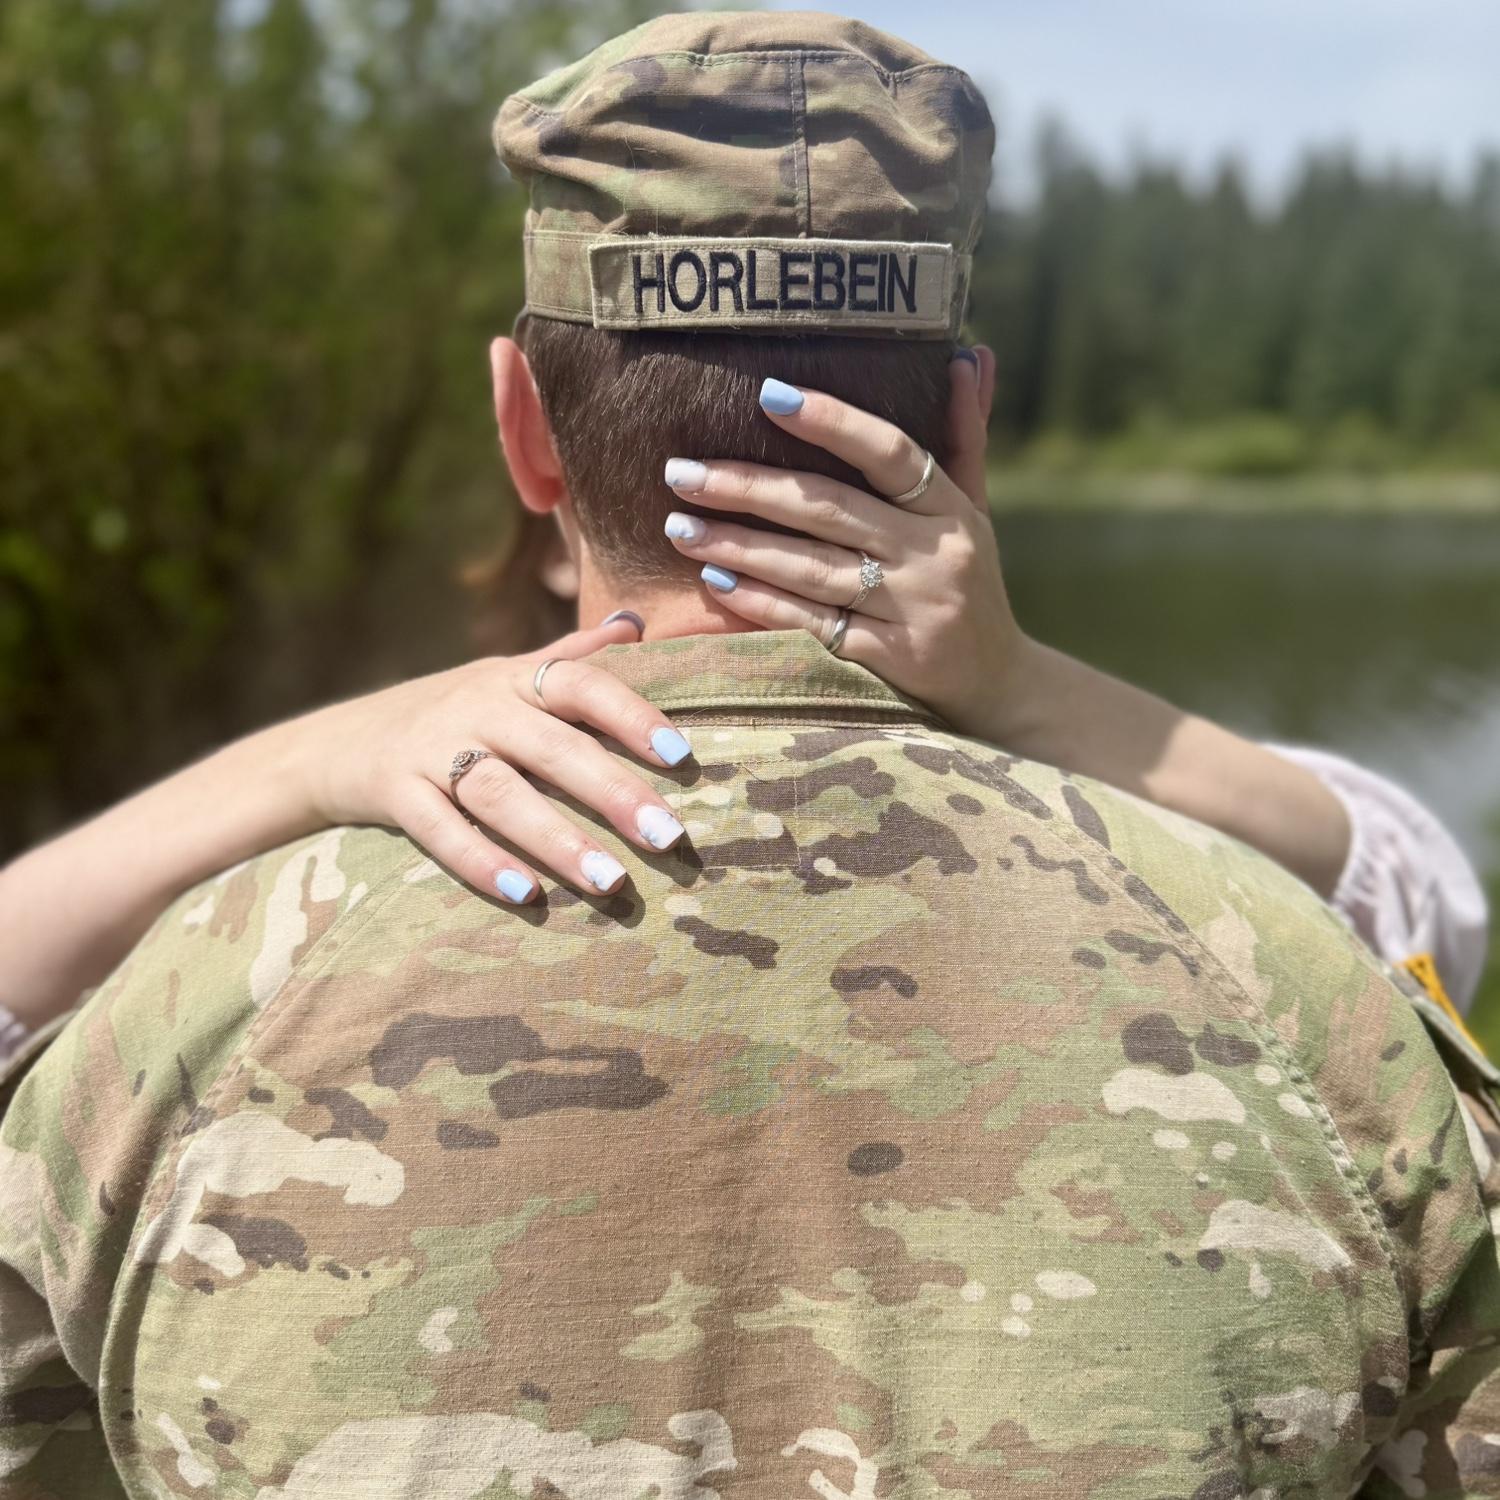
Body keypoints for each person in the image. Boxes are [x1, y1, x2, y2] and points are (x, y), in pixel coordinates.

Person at [2, 12, 1498, 1497]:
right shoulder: (1295, 1002)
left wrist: (306, 763)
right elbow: (1412, 898)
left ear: (524, 426)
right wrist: (1024, 686)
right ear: (967, 420)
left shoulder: (204, 1001)